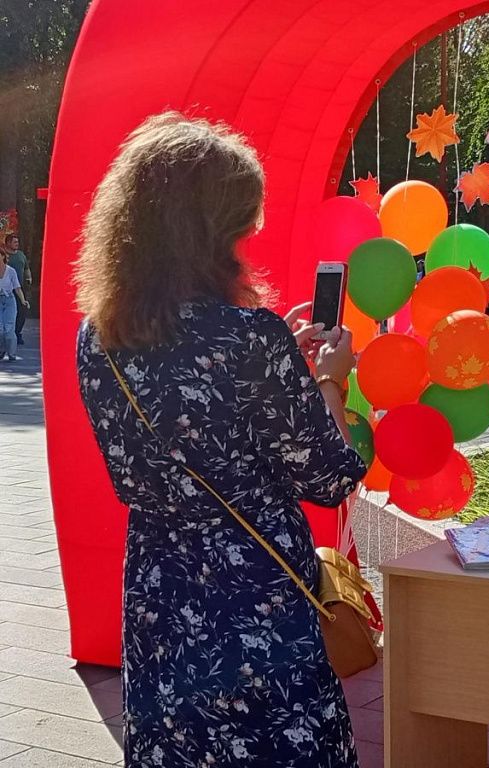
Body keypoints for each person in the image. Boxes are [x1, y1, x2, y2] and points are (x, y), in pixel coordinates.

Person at [74, 113, 366, 768]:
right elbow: (329, 476)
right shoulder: (249, 337)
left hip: (160, 589)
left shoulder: (98, 336)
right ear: (211, 233)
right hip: (258, 593)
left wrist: (276, 370)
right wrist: (328, 380)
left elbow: (154, 449)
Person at [0, 248, 30, 361]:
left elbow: (17, 288)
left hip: (9, 301)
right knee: (0, 329)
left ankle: (12, 354)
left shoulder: (11, 271)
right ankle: (1, 350)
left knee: (9, 329)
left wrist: (23, 301)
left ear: (3, 256)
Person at [3, 234, 31, 345]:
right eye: (14, 242)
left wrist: (29, 277)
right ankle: (6, 335)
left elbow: (26, 268)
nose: (17, 244)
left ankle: (17, 333)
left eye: (17, 242)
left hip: (19, 287)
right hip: (6, 289)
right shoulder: (3, 255)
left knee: (21, 311)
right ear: (8, 243)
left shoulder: (21, 255)